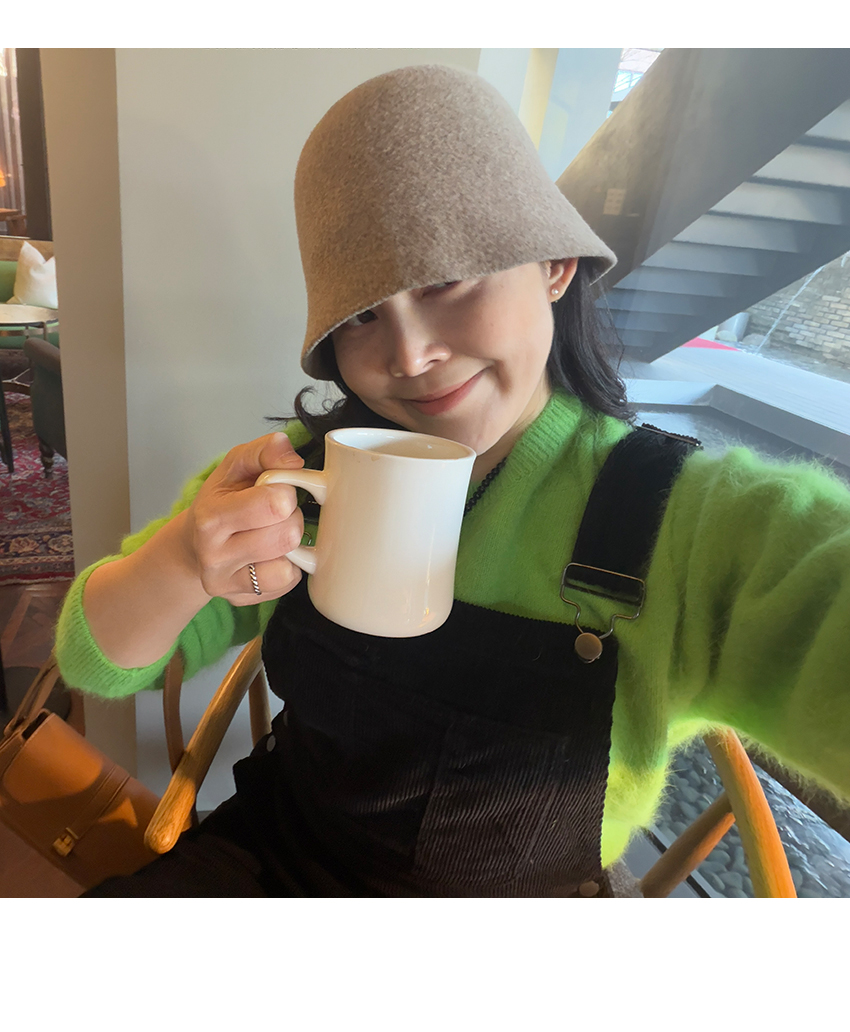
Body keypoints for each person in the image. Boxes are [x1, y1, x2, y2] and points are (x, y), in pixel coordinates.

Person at [54, 64, 850, 897]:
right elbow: (92, 662)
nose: (409, 355)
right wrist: (184, 559)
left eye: (444, 281)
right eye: (362, 315)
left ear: (554, 264)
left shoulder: (682, 520)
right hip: (269, 864)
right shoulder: (304, 471)